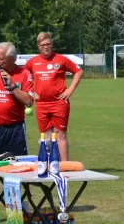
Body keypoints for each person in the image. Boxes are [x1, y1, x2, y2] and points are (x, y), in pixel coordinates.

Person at [24, 32, 84, 161]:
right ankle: (50, 164)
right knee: (46, 135)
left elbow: (78, 71)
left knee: (60, 135)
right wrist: (31, 93)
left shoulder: (61, 59)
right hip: (41, 105)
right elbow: (24, 78)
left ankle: (64, 165)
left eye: (48, 44)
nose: (46, 47)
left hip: (59, 103)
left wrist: (70, 90)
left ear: (52, 44)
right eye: (43, 45)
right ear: (38, 46)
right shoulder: (32, 62)